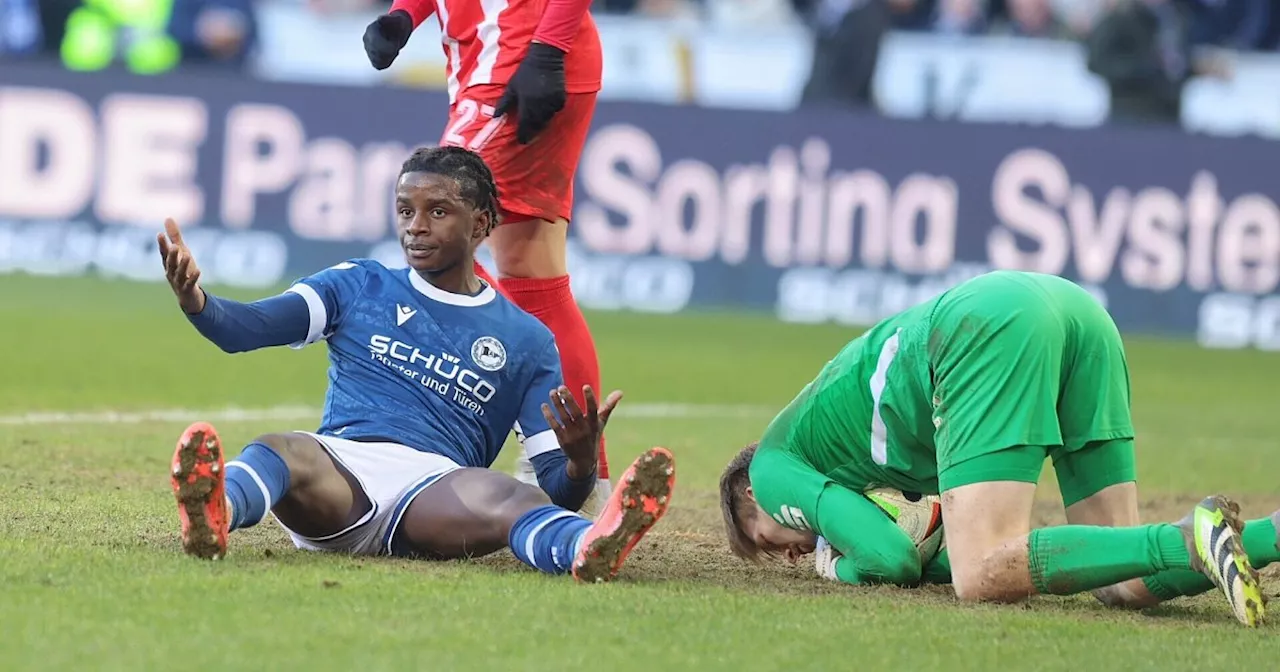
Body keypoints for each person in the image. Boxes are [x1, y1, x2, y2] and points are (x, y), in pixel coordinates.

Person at [161, 145, 675, 584]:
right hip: (341, 474)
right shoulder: (360, 285)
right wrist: (196, 300)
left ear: (481, 224)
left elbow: (560, 491)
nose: (416, 227)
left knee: (507, 493)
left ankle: (587, 547)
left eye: (438, 211)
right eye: (406, 210)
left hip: (435, 492)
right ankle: (217, 511)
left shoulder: (529, 341)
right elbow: (243, 329)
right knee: (283, 448)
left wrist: (580, 462)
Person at [718, 270, 1274, 626]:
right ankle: (1259, 536)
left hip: (984, 328)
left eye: (762, 539)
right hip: (1073, 309)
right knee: (1124, 582)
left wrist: (835, 570)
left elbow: (891, 559)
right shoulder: (827, 441)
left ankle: (1190, 536)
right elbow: (915, 551)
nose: (784, 553)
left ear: (748, 491)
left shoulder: (770, 468)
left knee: (982, 572)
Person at [361, 0, 613, 516]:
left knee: (435, 230)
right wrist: (405, 15)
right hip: (489, 59)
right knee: (532, 276)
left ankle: (410, 449)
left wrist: (547, 49)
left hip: (519, 54)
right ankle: (580, 473)